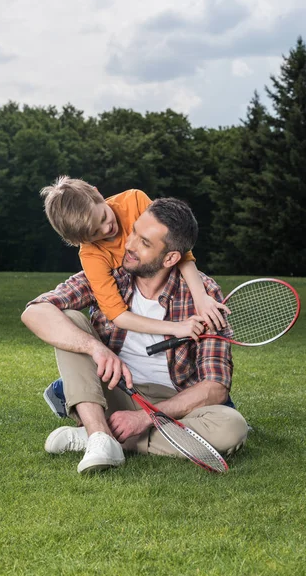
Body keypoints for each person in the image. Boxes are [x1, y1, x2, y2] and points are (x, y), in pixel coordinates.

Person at [21, 198, 248, 474]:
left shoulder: (205, 295)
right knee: (67, 320)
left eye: (145, 243)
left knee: (231, 428)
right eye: (134, 232)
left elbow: (215, 387)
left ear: (171, 258)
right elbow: (34, 312)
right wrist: (96, 349)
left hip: (172, 403)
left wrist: (144, 418)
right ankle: (99, 434)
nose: (128, 245)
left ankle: (101, 436)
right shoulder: (108, 276)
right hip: (117, 390)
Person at [40, 177, 227, 339]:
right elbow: (117, 315)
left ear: (97, 194)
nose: (106, 229)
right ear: (79, 240)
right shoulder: (91, 255)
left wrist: (200, 296)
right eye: (94, 233)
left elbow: (176, 245)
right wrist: (176, 328)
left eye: (104, 216)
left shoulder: (134, 200)